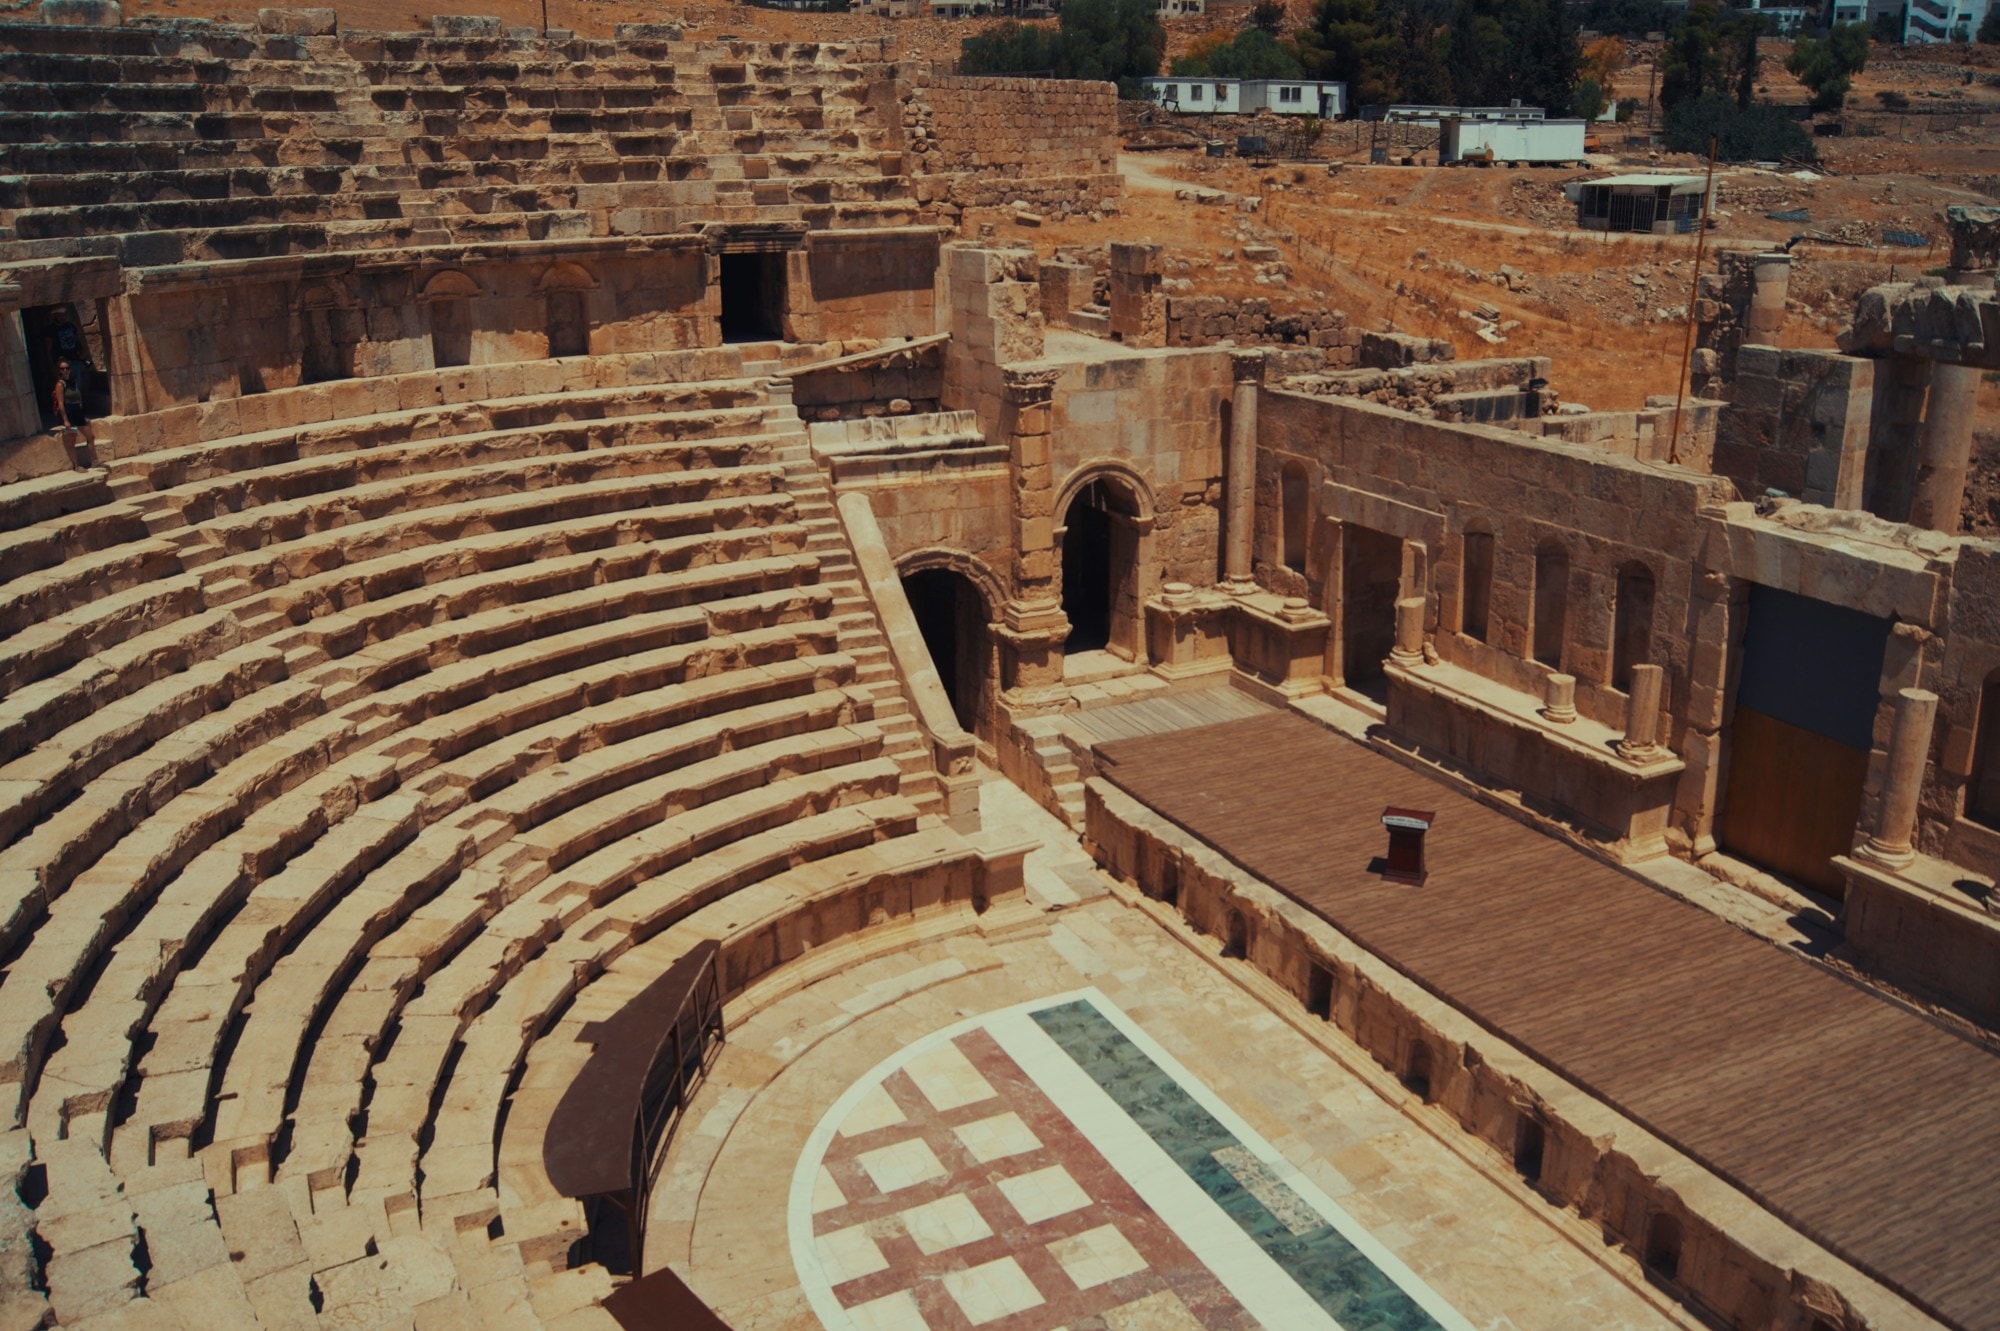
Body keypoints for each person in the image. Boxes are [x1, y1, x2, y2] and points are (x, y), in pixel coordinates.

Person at [51, 359, 95, 470]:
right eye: (62, 369)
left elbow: (78, 398)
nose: (65, 370)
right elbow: (61, 403)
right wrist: (65, 420)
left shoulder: (73, 382)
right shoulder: (60, 384)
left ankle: (94, 461)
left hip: (77, 412)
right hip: (69, 413)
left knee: (91, 436)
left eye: (67, 368)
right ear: (59, 371)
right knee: (72, 440)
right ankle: (76, 465)